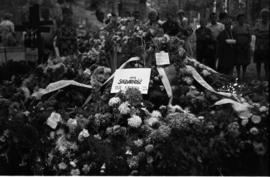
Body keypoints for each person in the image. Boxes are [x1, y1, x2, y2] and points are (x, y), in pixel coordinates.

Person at [233, 13, 251, 80]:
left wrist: (247, 45)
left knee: (245, 62)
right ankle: (238, 75)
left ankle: (243, 75)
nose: (242, 20)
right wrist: (237, 46)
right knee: (238, 62)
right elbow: (233, 37)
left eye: (243, 18)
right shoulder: (235, 27)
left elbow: (249, 37)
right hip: (238, 47)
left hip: (246, 46)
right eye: (240, 19)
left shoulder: (247, 26)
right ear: (238, 20)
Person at [253, 8, 269, 80]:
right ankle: (258, 74)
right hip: (258, 45)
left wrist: (261, 33)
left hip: (267, 45)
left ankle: (266, 74)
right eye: (263, 15)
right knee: (258, 61)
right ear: (261, 15)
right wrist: (265, 34)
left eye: (266, 15)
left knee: (267, 62)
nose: (264, 16)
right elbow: (255, 33)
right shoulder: (257, 23)